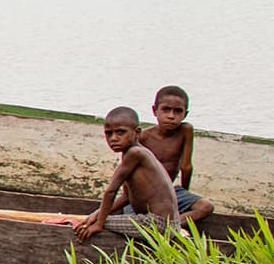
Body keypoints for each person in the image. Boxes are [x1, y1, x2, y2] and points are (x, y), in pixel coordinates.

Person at [77, 106, 184, 241]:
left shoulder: (135, 153)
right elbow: (126, 197)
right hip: (171, 225)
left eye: (120, 132)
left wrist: (98, 223)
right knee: (94, 219)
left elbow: (110, 191)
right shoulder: (136, 153)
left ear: (137, 132)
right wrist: (96, 214)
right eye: (109, 133)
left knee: (90, 225)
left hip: (156, 224)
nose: (113, 138)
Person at [133, 85, 214, 223]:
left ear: (185, 114)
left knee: (205, 207)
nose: (171, 116)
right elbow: (128, 173)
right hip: (142, 196)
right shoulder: (142, 137)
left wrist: (184, 193)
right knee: (142, 219)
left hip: (169, 192)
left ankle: (172, 226)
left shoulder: (185, 130)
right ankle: (165, 225)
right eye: (166, 110)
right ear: (155, 110)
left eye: (177, 111)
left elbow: (186, 166)